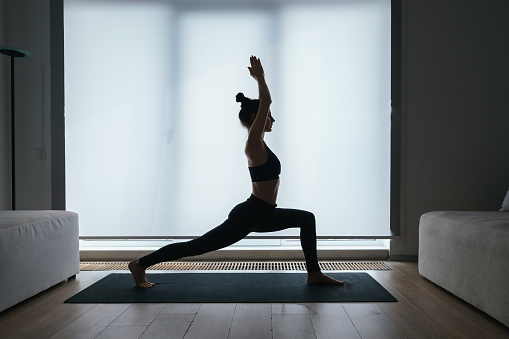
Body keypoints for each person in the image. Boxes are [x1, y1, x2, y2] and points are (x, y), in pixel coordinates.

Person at [129, 55, 343, 288]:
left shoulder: (260, 143)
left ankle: (313, 273)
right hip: (249, 215)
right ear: (255, 117)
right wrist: (260, 78)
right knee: (197, 246)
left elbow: (266, 108)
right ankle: (140, 264)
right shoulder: (253, 143)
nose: (272, 120)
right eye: (267, 116)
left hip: (266, 214)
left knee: (306, 218)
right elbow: (267, 102)